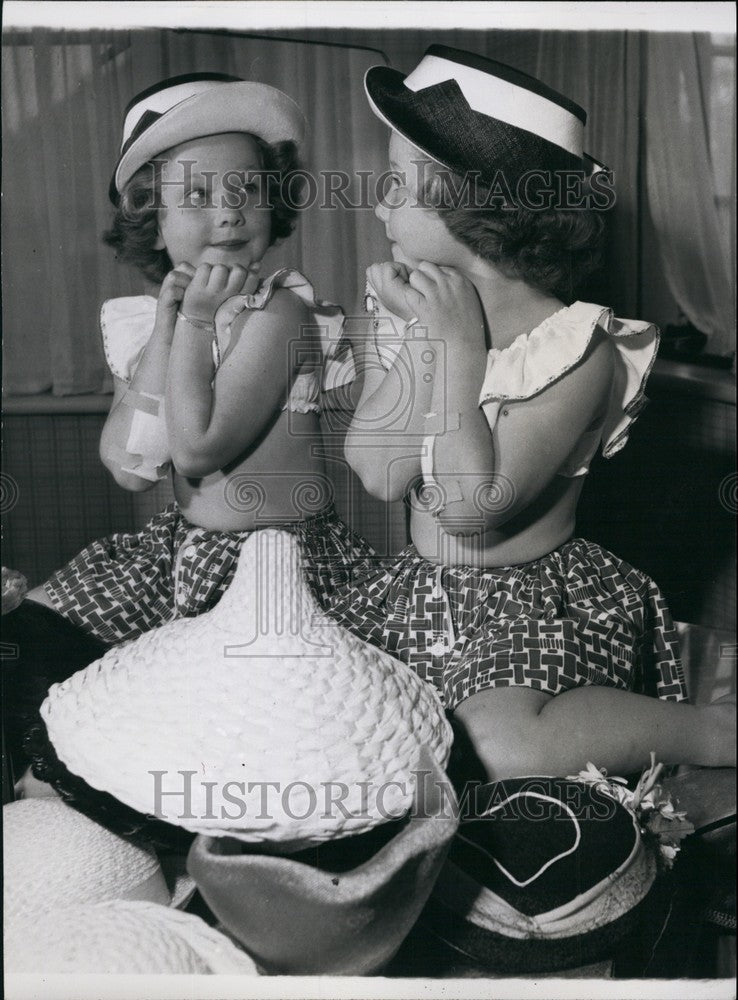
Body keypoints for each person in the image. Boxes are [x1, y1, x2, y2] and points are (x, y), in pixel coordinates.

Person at [336, 46, 735, 785]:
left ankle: (706, 728)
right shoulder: (417, 311)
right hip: (425, 592)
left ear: (476, 209)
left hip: (539, 606)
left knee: (497, 749)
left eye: (399, 185)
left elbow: (468, 509)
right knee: (336, 714)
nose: (381, 204)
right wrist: (420, 344)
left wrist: (456, 353)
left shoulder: (577, 351)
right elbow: (379, 471)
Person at [4, 73, 369, 787]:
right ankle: (51, 785)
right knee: (30, 633)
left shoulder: (282, 316)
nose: (227, 214)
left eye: (246, 191)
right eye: (197, 198)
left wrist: (195, 322)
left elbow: (200, 446)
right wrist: (172, 325)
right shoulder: (150, 322)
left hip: (276, 563)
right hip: (185, 547)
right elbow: (132, 462)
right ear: (156, 223)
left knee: (215, 722)